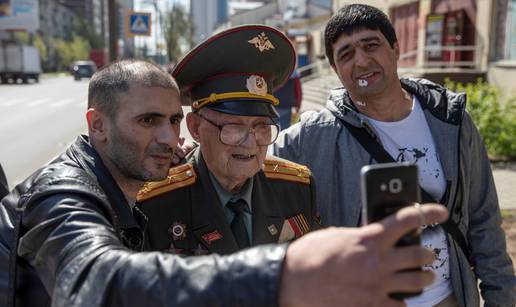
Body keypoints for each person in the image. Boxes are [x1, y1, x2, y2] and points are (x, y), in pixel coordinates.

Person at [0, 58, 449, 307]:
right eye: (147, 120)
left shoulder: (130, 180)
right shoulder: (62, 192)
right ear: (97, 126)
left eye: (172, 120)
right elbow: (97, 281)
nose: (166, 137)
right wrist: (286, 275)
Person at [272, 4, 515, 307]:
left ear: (395, 48)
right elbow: (249, 160)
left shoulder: (450, 121)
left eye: (371, 45)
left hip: (446, 298)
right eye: (346, 54)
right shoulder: (315, 134)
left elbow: (483, 221)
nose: (361, 61)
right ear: (335, 69)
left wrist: (501, 299)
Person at [137, 25, 319, 256]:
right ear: (195, 127)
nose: (251, 144)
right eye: (234, 127)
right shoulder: (155, 201)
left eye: (261, 127)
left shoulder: (297, 188)